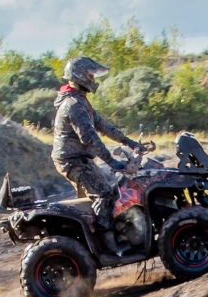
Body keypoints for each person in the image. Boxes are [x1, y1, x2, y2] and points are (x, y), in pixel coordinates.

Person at [51, 56, 149, 255]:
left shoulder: (80, 101)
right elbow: (90, 138)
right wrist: (112, 162)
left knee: (111, 190)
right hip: (72, 162)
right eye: (90, 74)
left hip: (79, 159)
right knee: (104, 195)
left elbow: (104, 126)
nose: (93, 79)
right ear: (79, 75)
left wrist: (130, 143)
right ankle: (105, 245)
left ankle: (108, 235)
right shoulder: (74, 105)